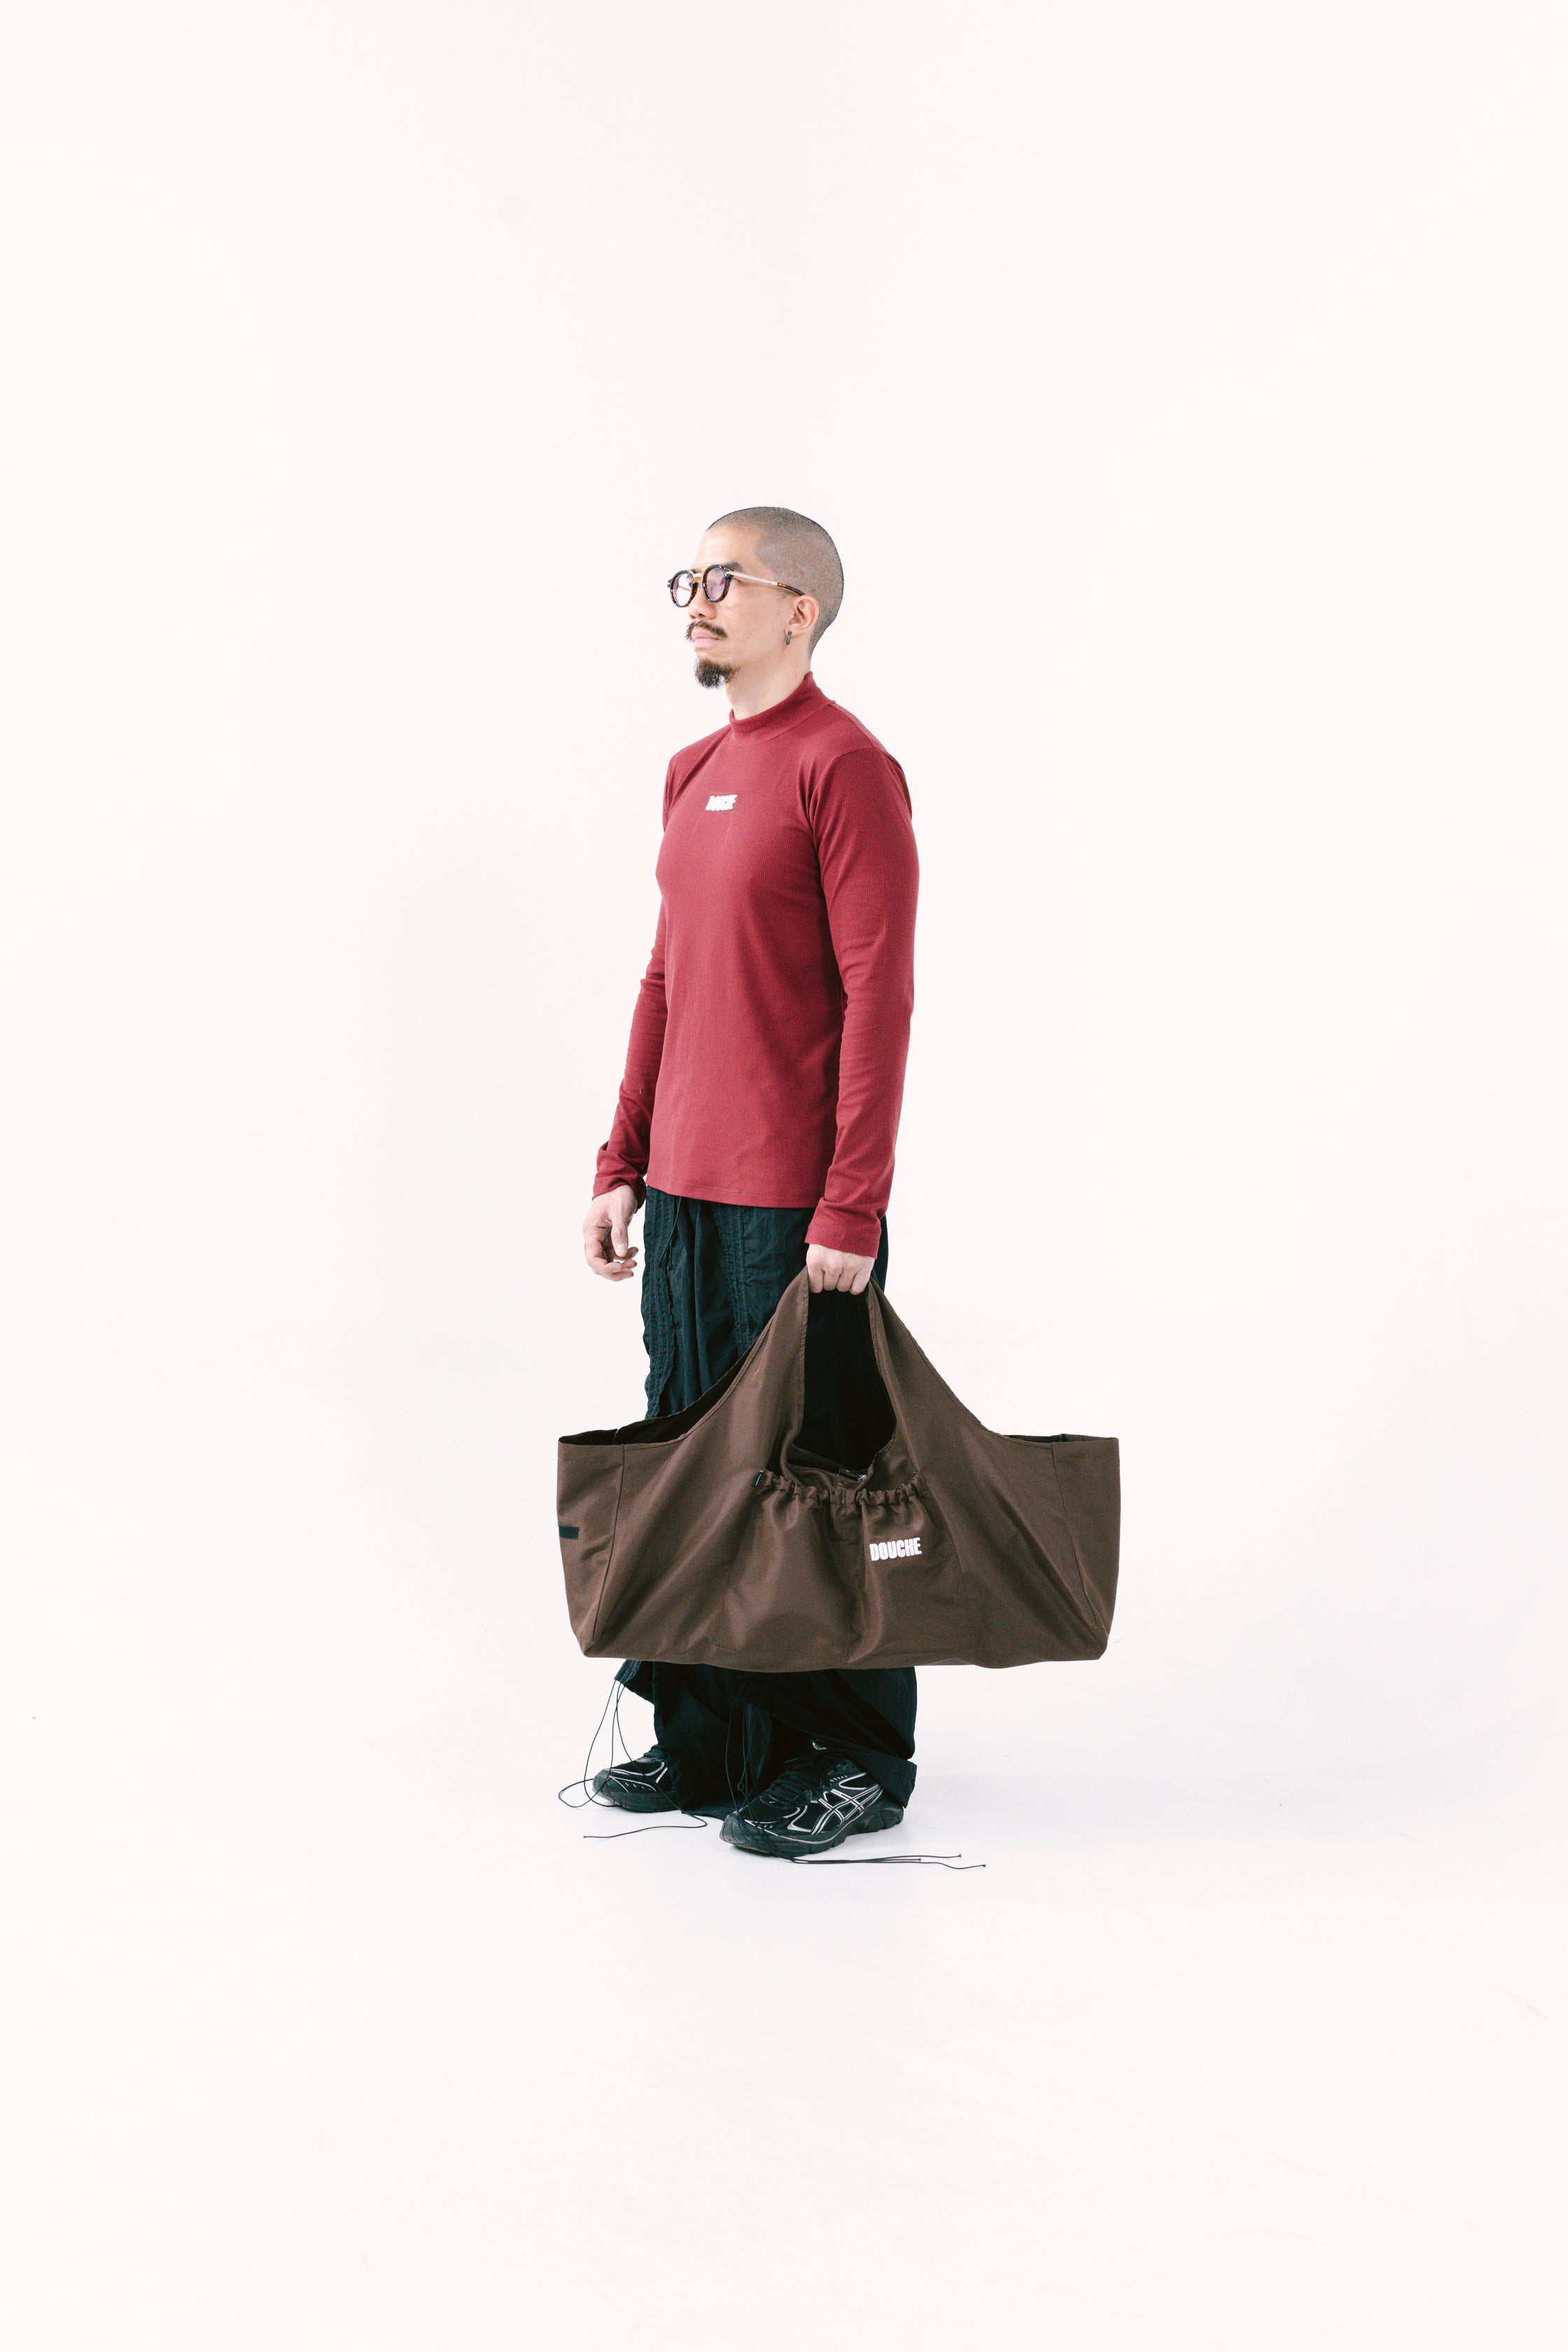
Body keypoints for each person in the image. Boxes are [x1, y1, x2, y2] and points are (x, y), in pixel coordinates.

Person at [580, 506, 920, 1859]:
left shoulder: (847, 766)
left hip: (797, 1203)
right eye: (693, 578)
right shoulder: (690, 769)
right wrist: (621, 1160)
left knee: (818, 1474)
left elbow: (879, 994)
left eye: (729, 580)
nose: (699, 601)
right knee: (693, 1461)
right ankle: (714, 1738)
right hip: (686, 1190)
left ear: (804, 610)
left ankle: (853, 1758)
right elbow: (666, 976)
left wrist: (853, 1204)